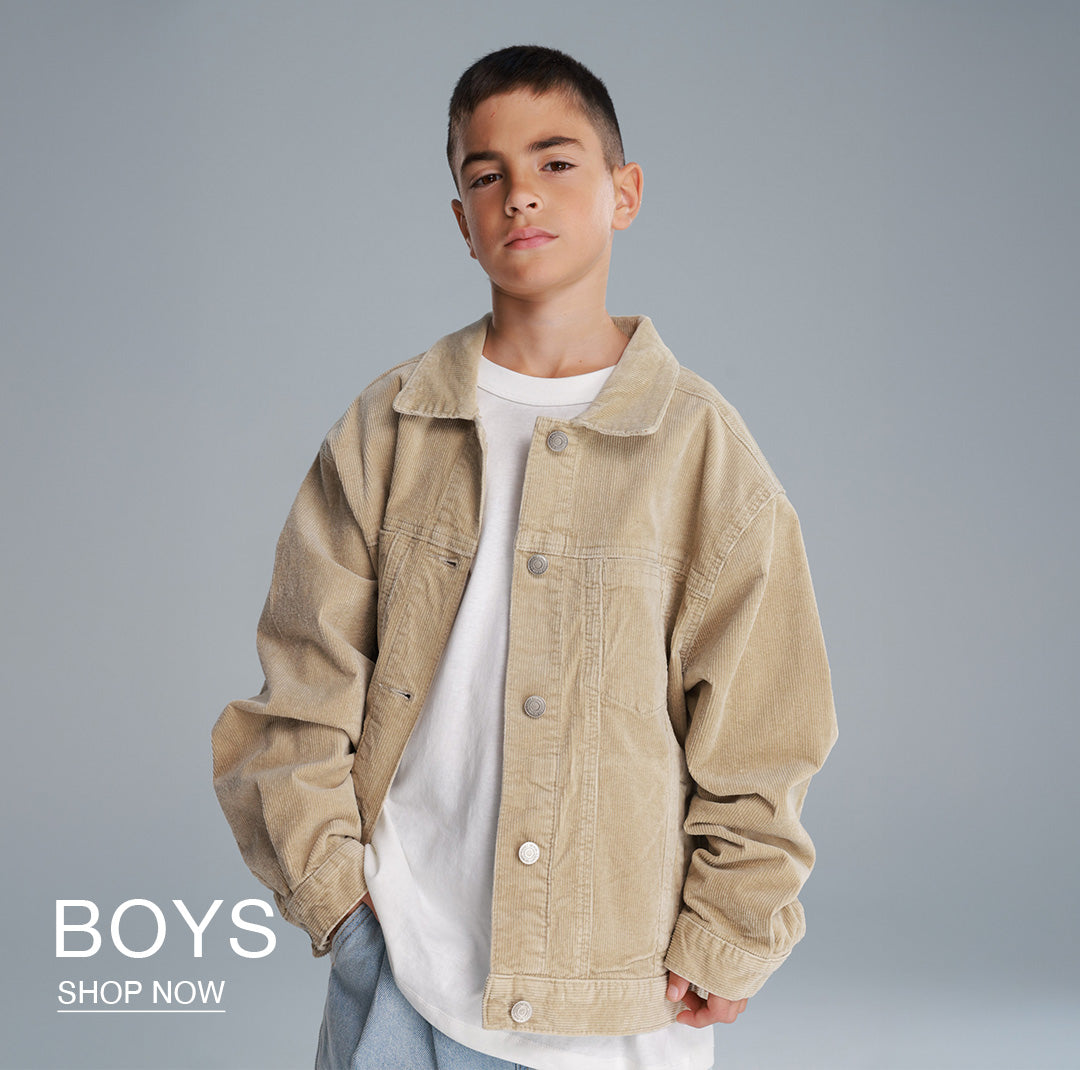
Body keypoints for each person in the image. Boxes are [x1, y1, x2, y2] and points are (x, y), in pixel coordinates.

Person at [211, 44, 838, 1070]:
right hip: (400, 967)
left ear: (624, 192)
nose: (521, 195)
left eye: (556, 162)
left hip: (616, 992)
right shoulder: (389, 426)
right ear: (462, 221)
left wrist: (731, 928)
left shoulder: (700, 448)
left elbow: (767, 727)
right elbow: (301, 687)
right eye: (487, 173)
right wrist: (343, 906)